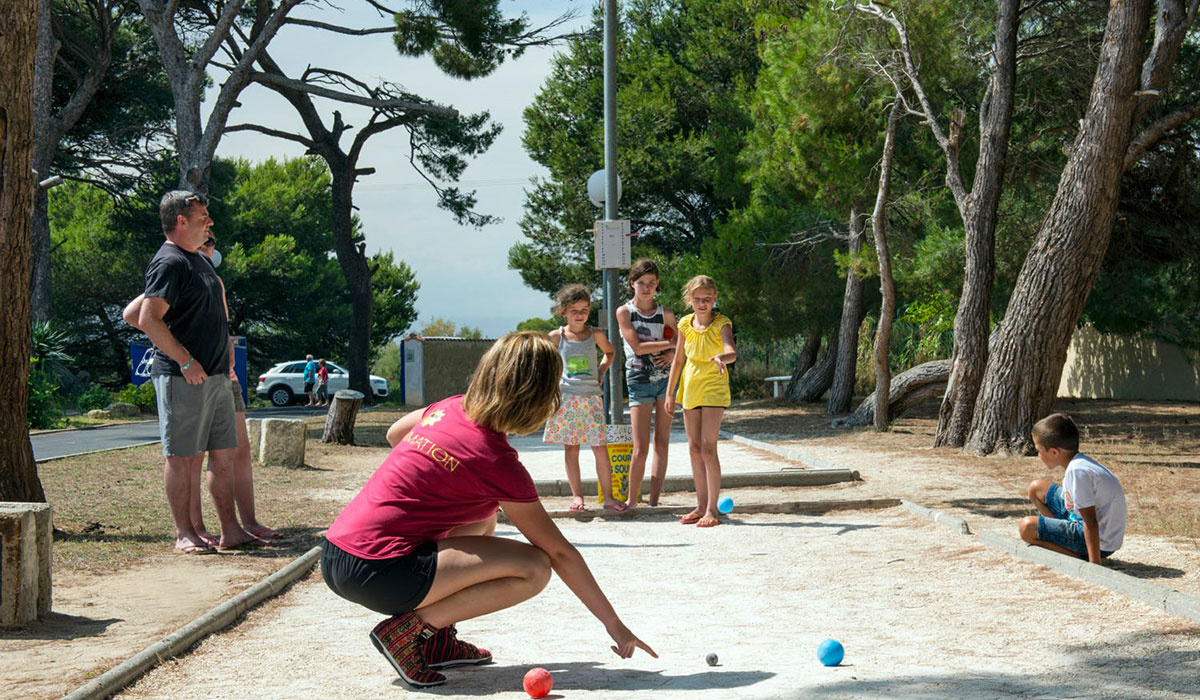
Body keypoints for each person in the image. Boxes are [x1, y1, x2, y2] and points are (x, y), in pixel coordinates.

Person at [321, 331, 657, 687]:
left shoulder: (449, 407)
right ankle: (407, 632)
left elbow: (394, 434)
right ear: (539, 396)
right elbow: (559, 553)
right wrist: (614, 625)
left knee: (482, 518)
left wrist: (438, 480)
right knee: (534, 568)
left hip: (337, 555)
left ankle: (437, 643)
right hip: (379, 572)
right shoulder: (496, 461)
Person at [125, 234, 281, 546]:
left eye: (212, 241)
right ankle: (193, 529)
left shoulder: (211, 278)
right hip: (188, 375)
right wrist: (182, 356)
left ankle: (240, 525)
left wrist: (227, 350)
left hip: (221, 374)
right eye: (205, 240)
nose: (209, 245)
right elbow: (135, 315)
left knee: (232, 450)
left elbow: (221, 324)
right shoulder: (174, 268)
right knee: (190, 456)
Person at [136, 190, 258, 553]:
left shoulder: (198, 261)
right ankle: (184, 533)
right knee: (182, 458)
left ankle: (230, 530)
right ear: (181, 221)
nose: (210, 222)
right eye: (203, 217)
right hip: (183, 377)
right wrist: (186, 361)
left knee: (223, 454)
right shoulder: (169, 262)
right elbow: (148, 319)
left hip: (216, 375)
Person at [665, 275, 737, 528]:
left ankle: (712, 510)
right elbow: (678, 360)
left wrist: (721, 358)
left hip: (714, 386)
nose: (702, 303)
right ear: (690, 300)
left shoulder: (722, 323)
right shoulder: (685, 324)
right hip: (690, 387)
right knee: (694, 447)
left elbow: (731, 352)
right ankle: (700, 504)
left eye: (707, 298)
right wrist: (670, 393)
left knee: (708, 448)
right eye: (697, 299)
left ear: (715, 298)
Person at [543, 284, 623, 512]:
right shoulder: (556, 336)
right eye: (574, 311)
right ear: (563, 312)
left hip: (592, 399)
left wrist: (601, 371)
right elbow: (544, 361)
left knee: (600, 448)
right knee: (571, 448)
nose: (580, 315)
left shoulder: (595, 334)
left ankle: (608, 497)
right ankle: (577, 496)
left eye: (584, 310)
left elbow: (610, 352)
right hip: (567, 399)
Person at [1019, 413, 1127, 564]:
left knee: (1027, 527)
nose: (1038, 455)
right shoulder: (1079, 463)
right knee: (1036, 488)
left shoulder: (1078, 472)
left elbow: (1090, 521)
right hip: (1083, 524)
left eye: (1039, 450)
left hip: (1100, 542)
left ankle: (1079, 557)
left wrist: (1095, 565)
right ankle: (1060, 538)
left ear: (1054, 452)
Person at [615, 259, 677, 508]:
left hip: (665, 381)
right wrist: (670, 344)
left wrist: (672, 352)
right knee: (640, 448)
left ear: (657, 284)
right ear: (632, 283)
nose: (647, 287)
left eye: (651, 282)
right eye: (642, 282)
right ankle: (632, 501)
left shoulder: (666, 313)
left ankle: (654, 501)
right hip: (639, 381)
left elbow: (680, 344)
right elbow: (638, 347)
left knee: (662, 442)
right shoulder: (624, 312)